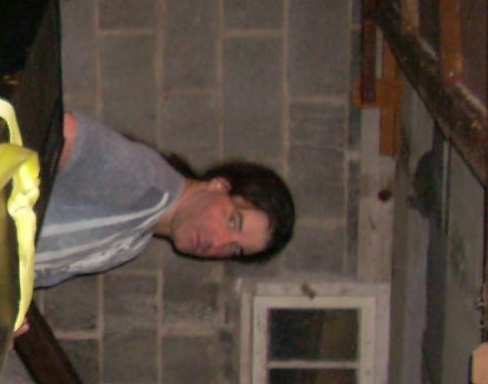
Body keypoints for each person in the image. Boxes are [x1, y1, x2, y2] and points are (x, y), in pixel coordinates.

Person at [33, 111, 295, 289]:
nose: (218, 243)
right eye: (233, 222)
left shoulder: (130, 246)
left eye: (235, 249)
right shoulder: (147, 183)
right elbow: (54, 128)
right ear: (220, 186)